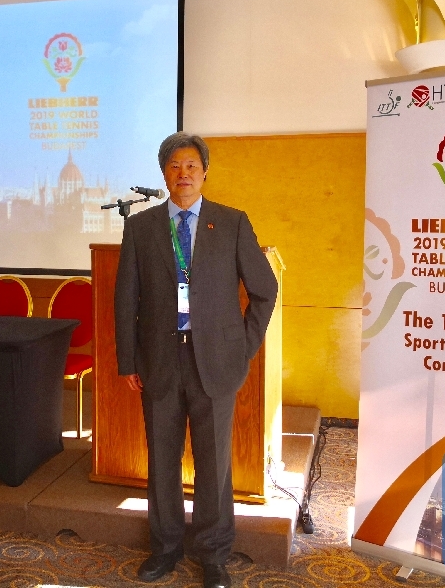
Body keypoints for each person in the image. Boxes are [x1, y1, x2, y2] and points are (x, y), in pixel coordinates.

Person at [114, 132, 278, 588]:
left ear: (205, 172)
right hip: (159, 362)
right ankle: (165, 548)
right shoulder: (141, 228)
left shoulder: (232, 223)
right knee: (162, 461)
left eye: (191, 166)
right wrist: (127, 360)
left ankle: (213, 555)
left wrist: (242, 347)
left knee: (214, 465)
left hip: (217, 363)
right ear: (164, 174)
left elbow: (265, 290)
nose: (182, 174)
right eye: (174, 166)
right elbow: (126, 299)